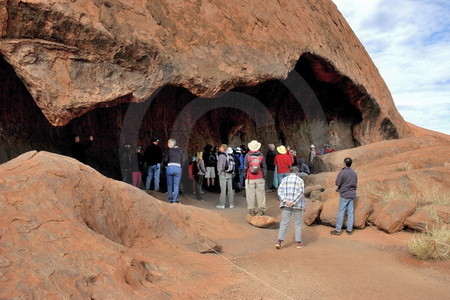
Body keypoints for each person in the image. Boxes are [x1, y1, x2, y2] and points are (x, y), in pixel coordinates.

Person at [275, 166, 306, 249]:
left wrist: (285, 201)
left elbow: (279, 191)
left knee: (284, 223)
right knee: (298, 224)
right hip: (297, 205)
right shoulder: (300, 180)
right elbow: (301, 192)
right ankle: (299, 243)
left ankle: (279, 241)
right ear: (297, 172)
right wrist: (294, 202)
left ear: (289, 171)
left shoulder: (284, 180)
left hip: (286, 204)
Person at [331, 157, 358, 236]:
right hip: (352, 194)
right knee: (350, 212)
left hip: (344, 194)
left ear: (344, 163)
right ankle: (349, 230)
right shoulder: (354, 173)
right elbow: (355, 184)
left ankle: (338, 230)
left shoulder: (342, 172)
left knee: (341, 212)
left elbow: (337, 183)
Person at [244, 140, 267, 216]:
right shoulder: (261, 155)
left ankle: (251, 210)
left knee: (250, 194)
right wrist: (264, 176)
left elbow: (245, 167)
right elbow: (264, 166)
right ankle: (261, 209)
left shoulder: (247, 155)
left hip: (250, 177)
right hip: (259, 177)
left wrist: (245, 176)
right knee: (260, 194)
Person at [164, 138, 183, 203]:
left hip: (170, 167)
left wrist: (166, 165)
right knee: (176, 185)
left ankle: (170, 200)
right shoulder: (180, 150)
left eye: (168, 142)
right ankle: (175, 200)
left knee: (169, 184)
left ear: (172, 143)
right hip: (178, 167)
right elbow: (182, 160)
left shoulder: (168, 150)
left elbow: (165, 159)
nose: (167, 144)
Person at [216, 145, 235, 209]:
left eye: (220, 147)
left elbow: (220, 166)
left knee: (223, 190)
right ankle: (231, 204)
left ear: (223, 148)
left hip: (223, 173)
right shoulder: (229, 155)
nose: (219, 148)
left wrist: (219, 172)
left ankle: (222, 204)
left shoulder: (221, 156)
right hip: (229, 173)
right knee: (230, 189)